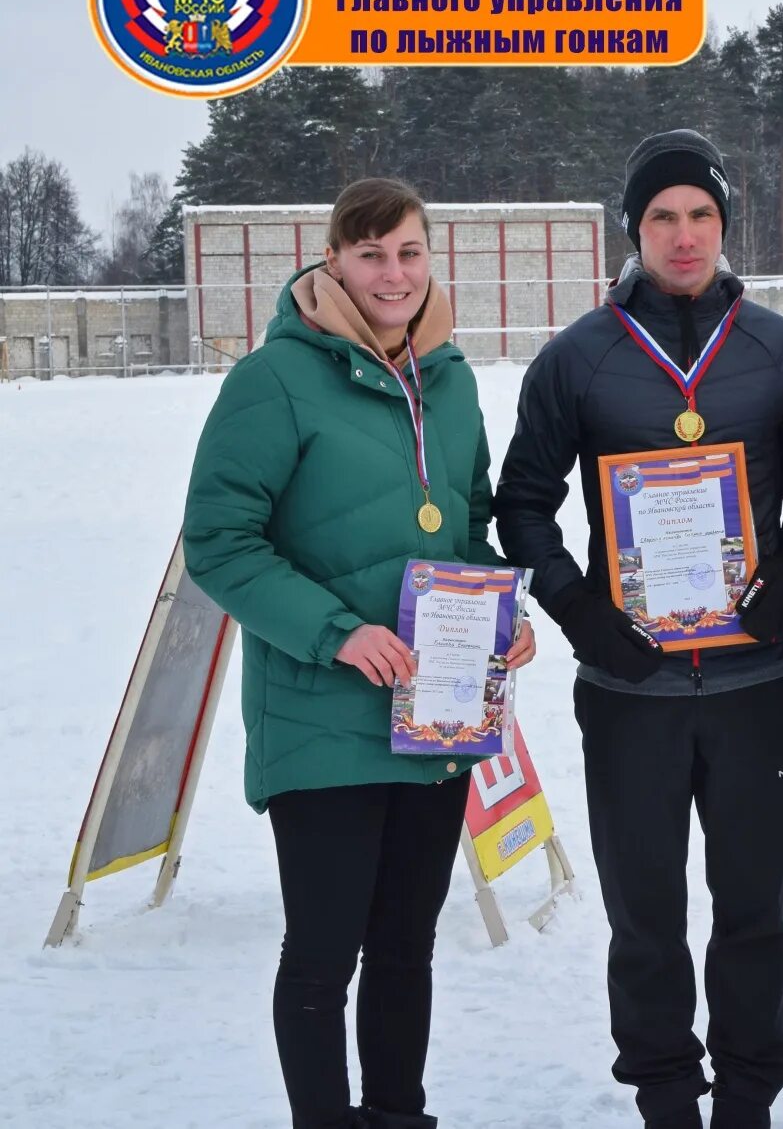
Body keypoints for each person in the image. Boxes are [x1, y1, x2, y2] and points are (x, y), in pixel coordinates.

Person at [493, 129, 783, 1129]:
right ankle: (668, 1102)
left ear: (723, 227)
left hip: (754, 687)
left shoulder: (779, 350)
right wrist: (580, 611)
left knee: (753, 918)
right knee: (645, 923)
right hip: (628, 692)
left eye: (701, 217)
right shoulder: (579, 359)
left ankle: (746, 1104)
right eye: (662, 219)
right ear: (632, 229)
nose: (683, 238)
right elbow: (520, 501)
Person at [183, 177, 535, 1129]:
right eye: (371, 254)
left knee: (406, 947)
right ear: (332, 259)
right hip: (320, 715)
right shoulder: (274, 380)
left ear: (431, 261)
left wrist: (500, 608)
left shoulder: (451, 379)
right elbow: (220, 542)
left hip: (435, 716)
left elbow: (464, 521)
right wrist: (338, 632)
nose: (393, 273)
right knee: (324, 952)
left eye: (409, 253)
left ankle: (397, 1115)